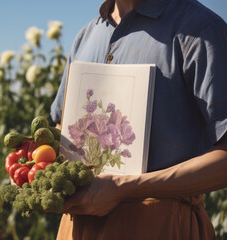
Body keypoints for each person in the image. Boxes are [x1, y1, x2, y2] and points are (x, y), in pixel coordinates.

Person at [50, 0, 227, 238]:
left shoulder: (201, 29)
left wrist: (124, 188)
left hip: (160, 227)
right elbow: (62, 126)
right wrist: (32, 165)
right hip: (74, 227)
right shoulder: (86, 35)